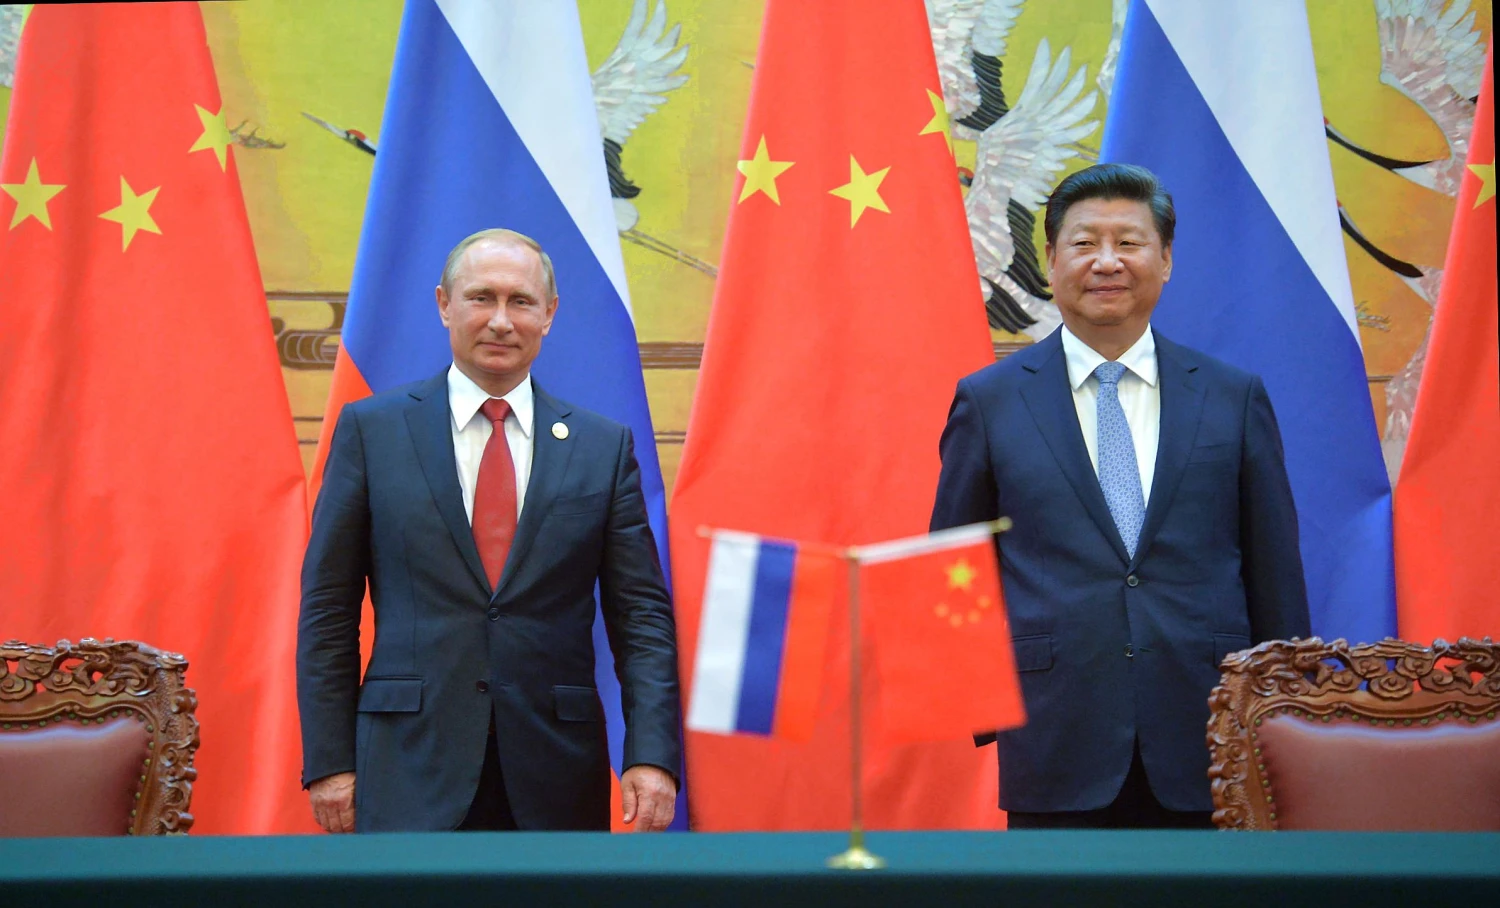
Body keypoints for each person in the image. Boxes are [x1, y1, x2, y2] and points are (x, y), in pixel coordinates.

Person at [930, 163, 1311, 829]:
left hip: (1212, 728)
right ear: (1050, 260)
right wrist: (985, 709)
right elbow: (955, 566)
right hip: (1052, 732)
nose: (1107, 262)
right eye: (1084, 243)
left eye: (1129, 242)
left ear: (1165, 260)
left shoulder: (1231, 396)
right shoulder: (990, 401)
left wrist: (1280, 712)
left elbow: (1273, 564)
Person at [297, 228, 681, 833]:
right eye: (481, 298)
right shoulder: (372, 432)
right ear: (444, 304)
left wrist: (653, 755)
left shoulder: (601, 448)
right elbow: (328, 610)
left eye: (521, 301)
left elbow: (643, 620)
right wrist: (329, 762)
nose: (501, 320)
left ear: (549, 315)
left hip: (557, 769)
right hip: (405, 764)